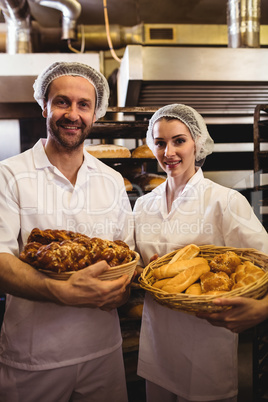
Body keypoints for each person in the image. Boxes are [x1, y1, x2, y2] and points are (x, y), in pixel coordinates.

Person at [0, 61, 134, 402]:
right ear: (44, 105)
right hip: (34, 358)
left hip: (103, 352)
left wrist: (122, 291)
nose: (72, 114)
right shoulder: (10, 175)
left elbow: (126, 256)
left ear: (95, 113)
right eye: (62, 102)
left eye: (83, 105)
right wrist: (60, 291)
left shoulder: (112, 180)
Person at [133, 103, 268, 402]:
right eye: (159, 142)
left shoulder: (224, 201)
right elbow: (138, 264)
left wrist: (263, 308)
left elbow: (264, 259)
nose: (168, 152)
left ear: (198, 142)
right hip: (157, 345)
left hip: (206, 347)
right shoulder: (144, 204)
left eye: (179, 140)